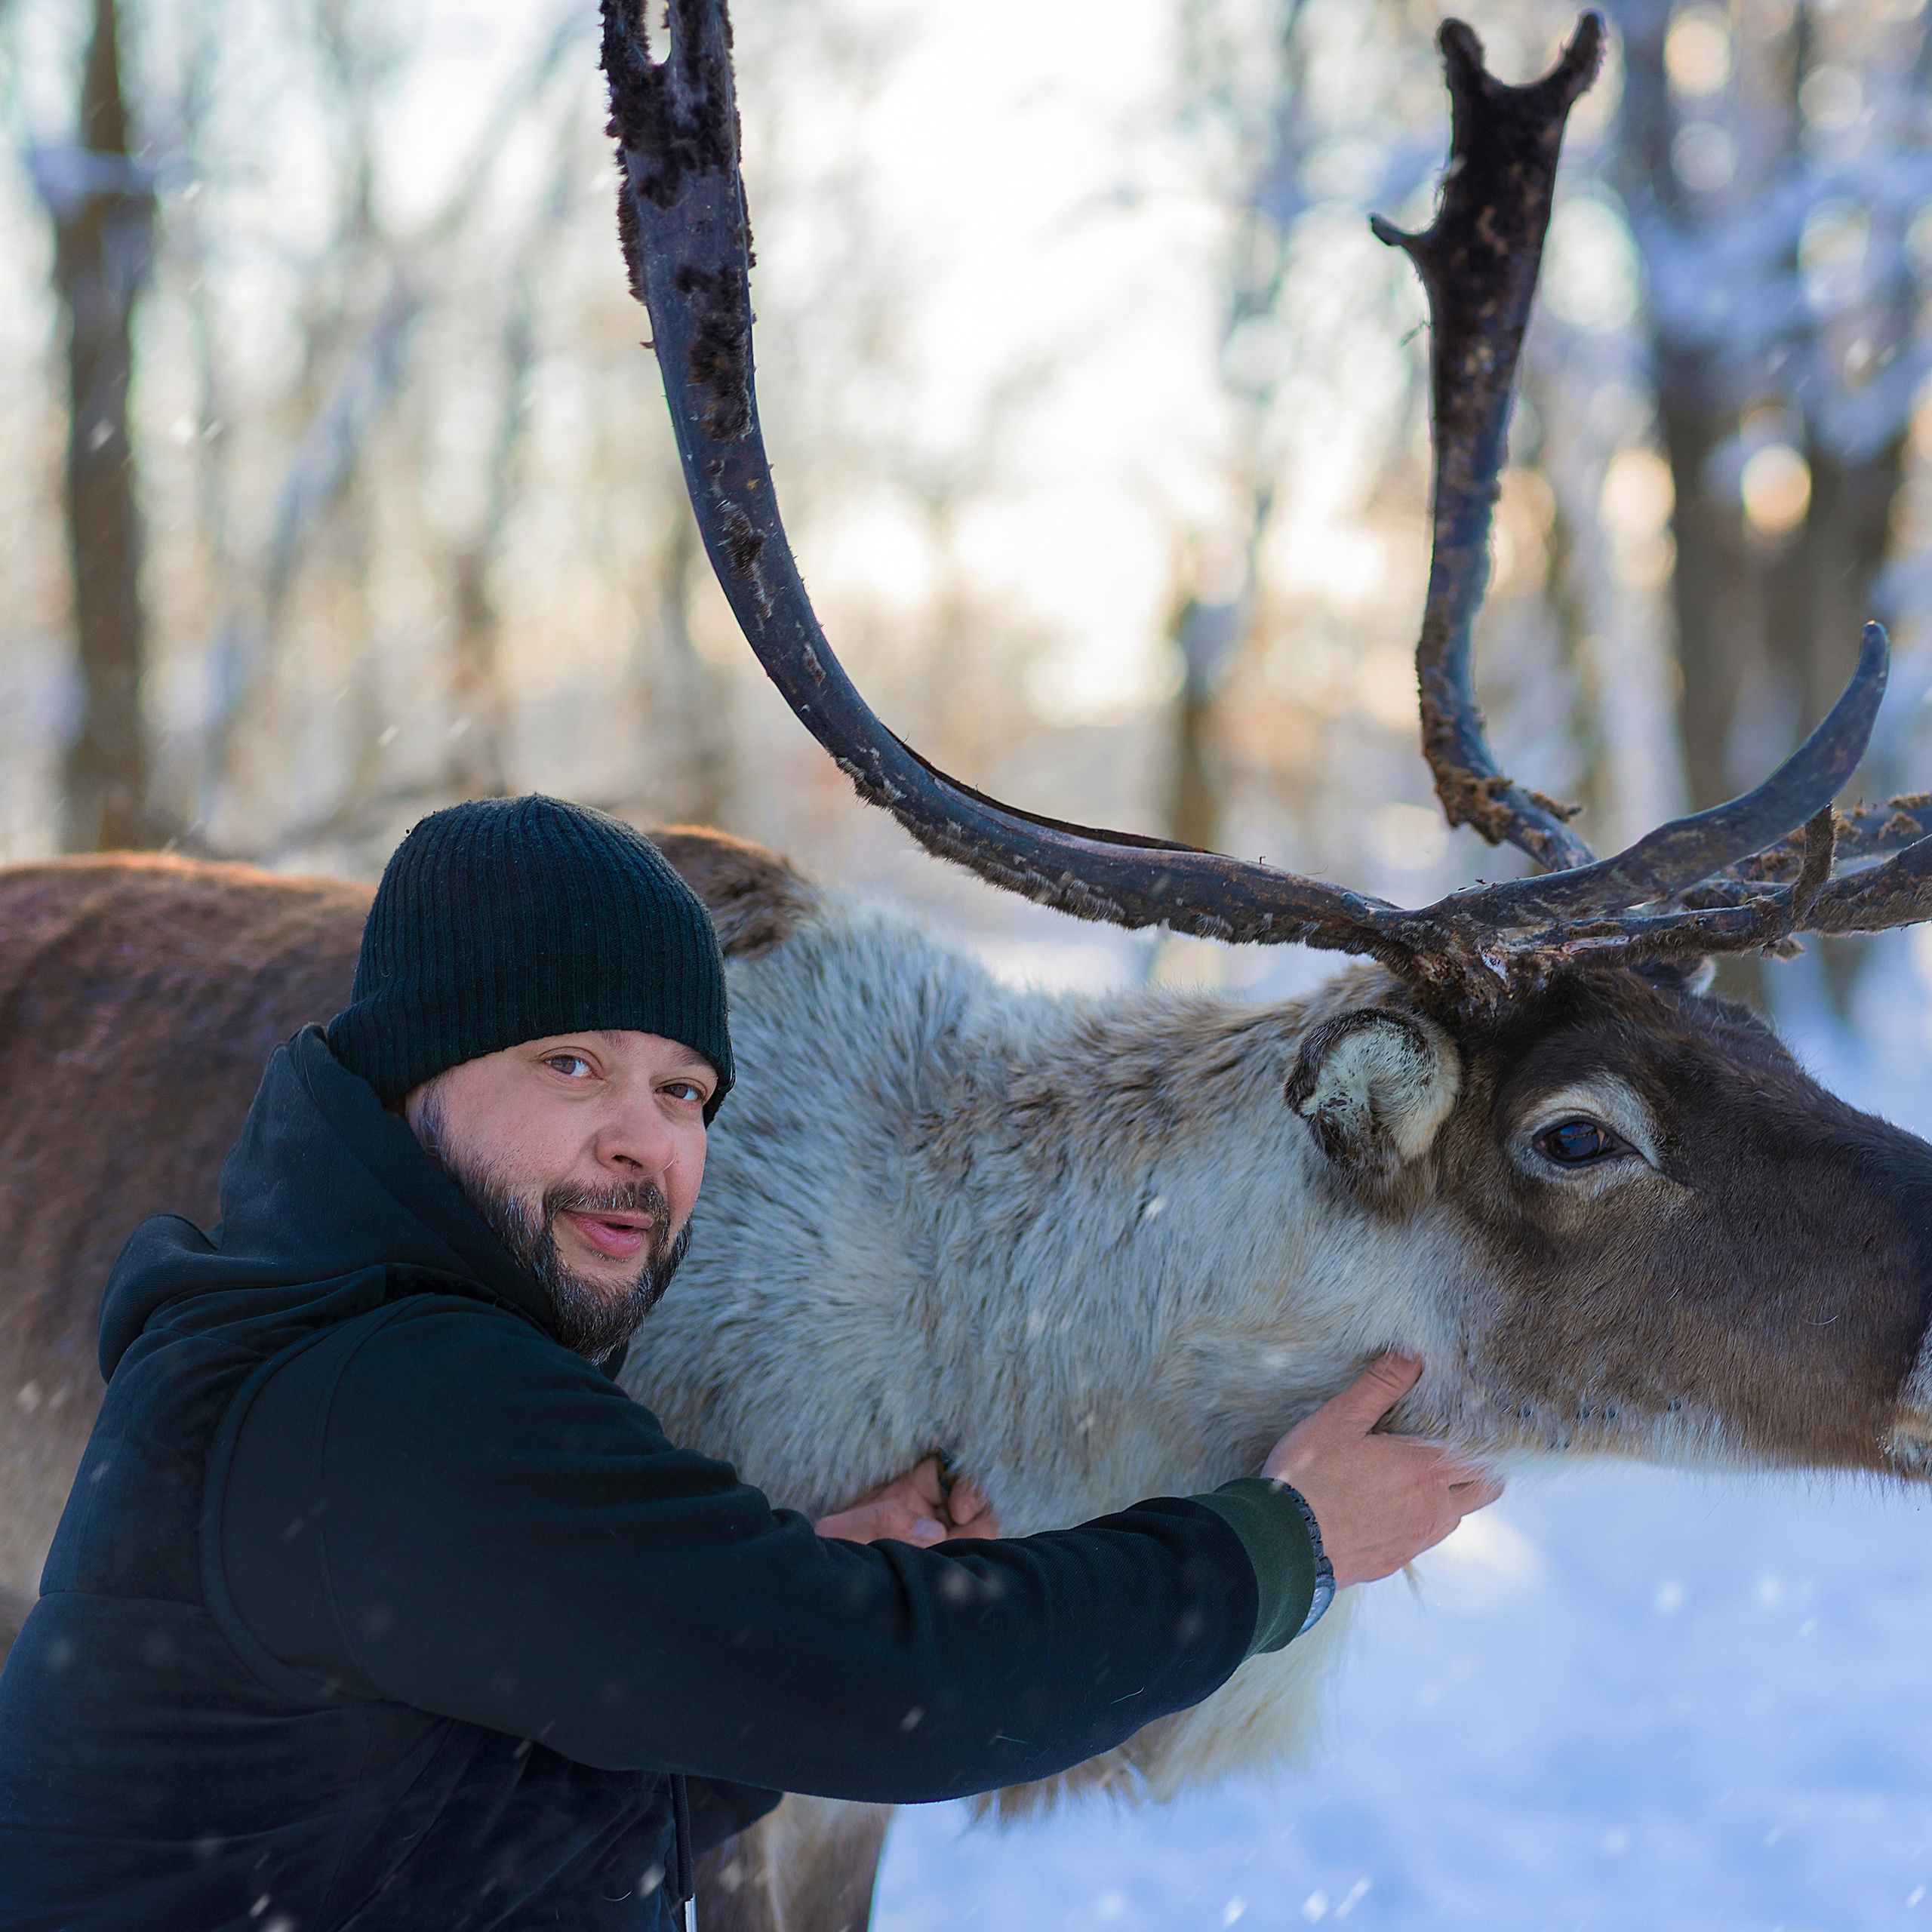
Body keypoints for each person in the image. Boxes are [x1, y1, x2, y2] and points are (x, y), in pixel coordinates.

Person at [0, 795, 1500, 1930]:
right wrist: (1278, 1545)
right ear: (412, 1075)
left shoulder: (338, 1330)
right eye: (569, 1064)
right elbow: (888, 1689)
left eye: (682, 1089)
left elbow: (478, 1822)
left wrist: (765, 1602)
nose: (640, 1141)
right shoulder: (390, 1394)